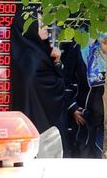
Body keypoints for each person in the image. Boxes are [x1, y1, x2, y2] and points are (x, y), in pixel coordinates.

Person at [10, 9, 67, 153]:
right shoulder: (35, 61)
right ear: (29, 28)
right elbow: (56, 90)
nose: (46, 27)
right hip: (44, 136)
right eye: (41, 24)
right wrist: (58, 66)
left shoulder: (24, 57)